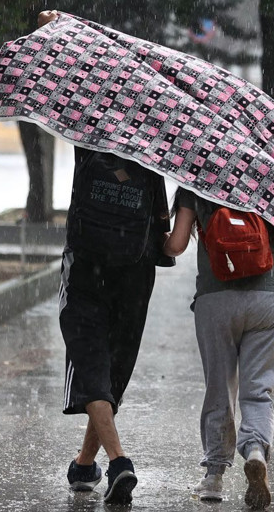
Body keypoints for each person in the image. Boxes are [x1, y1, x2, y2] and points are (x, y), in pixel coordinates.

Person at [163, 189, 274, 509]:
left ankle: (214, 478)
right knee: (258, 388)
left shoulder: (196, 178)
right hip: (270, 294)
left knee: (220, 386)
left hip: (216, 296)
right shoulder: (269, 173)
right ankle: (255, 452)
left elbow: (176, 245)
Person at [58, 146, 174, 505]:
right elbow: (163, 240)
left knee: (91, 366)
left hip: (85, 267)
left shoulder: (87, 138)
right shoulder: (153, 152)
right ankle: (84, 464)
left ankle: (118, 461)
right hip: (135, 275)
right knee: (112, 370)